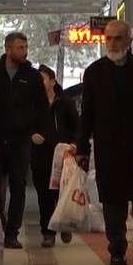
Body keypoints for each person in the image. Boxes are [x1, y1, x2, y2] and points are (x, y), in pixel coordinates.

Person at [75, 19, 133, 265]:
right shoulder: (94, 73)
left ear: (129, 40)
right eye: (109, 38)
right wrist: (82, 148)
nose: (112, 43)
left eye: (118, 38)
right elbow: (87, 115)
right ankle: (117, 251)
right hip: (109, 148)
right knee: (113, 203)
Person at [0, 31, 48, 249]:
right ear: (8, 49)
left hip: (20, 140)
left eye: (26, 48)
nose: (24, 52)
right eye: (20, 48)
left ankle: (12, 233)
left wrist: (37, 130)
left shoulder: (33, 77)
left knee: (18, 185)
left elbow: (42, 107)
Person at [31, 64, 80, 248]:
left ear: (52, 81)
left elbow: (77, 126)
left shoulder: (65, 103)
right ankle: (48, 232)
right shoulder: (34, 104)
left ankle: (64, 224)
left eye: (42, 79)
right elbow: (26, 124)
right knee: (44, 196)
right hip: (41, 156)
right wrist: (32, 134)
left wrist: (74, 143)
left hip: (62, 156)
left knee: (61, 194)